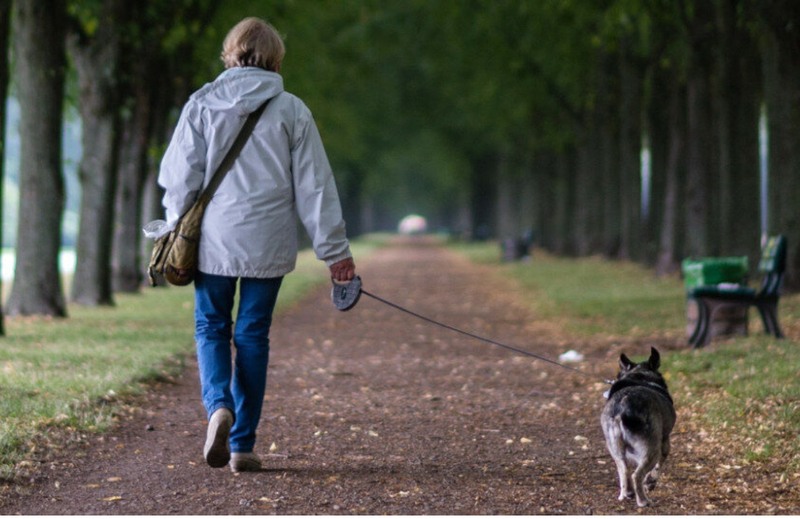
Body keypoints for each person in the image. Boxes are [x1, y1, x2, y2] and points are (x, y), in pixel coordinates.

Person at [157, 17, 356, 472]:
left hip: (214, 240)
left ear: (231, 53)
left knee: (211, 327)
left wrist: (174, 225)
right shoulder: (292, 110)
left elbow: (179, 177)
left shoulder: (202, 103)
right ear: (275, 58)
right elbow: (315, 187)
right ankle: (243, 444)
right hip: (269, 241)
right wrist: (335, 252)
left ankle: (218, 407)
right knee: (252, 335)